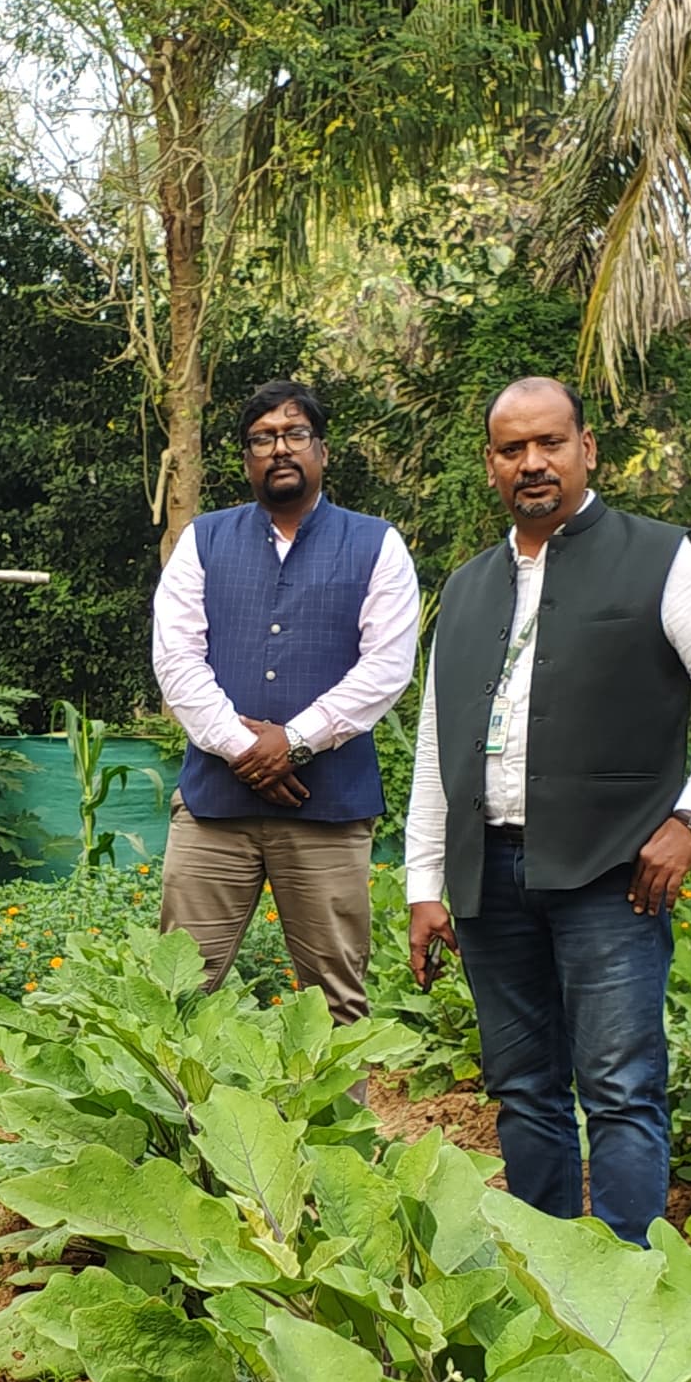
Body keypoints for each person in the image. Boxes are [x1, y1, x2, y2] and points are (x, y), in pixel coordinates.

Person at [404, 377, 691, 1236]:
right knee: (522, 1090)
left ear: (587, 448)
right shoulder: (465, 588)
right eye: (511, 449)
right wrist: (426, 880)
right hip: (489, 877)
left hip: (613, 875)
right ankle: (545, 1284)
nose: (532, 463)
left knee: (620, 1089)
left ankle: (628, 1289)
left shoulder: (660, 558)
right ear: (490, 464)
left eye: (550, 444)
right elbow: (435, 742)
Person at [149, 377, 420, 1017]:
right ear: (246, 459)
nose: (279, 449)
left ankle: (334, 1124)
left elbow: (386, 668)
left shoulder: (377, 544)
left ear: (321, 451)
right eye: (262, 439)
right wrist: (249, 750)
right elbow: (177, 658)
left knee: (336, 1003)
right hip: (215, 810)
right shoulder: (203, 540)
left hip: (327, 810)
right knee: (177, 998)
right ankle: (180, 1123)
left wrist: (293, 744)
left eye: (294, 434)